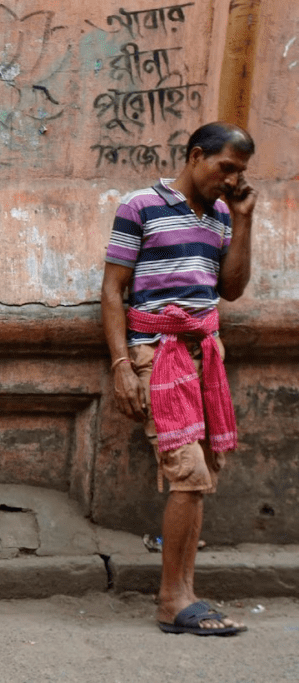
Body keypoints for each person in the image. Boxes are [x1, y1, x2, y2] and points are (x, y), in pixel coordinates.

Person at [101, 122, 256, 636]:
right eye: (225, 167)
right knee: (187, 474)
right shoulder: (140, 206)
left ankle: (186, 592)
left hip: (205, 356)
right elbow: (112, 290)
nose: (231, 180)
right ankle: (171, 601)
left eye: (239, 172)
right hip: (156, 355)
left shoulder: (221, 216)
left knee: (202, 476)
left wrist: (243, 220)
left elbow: (231, 289)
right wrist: (122, 366)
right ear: (195, 156)